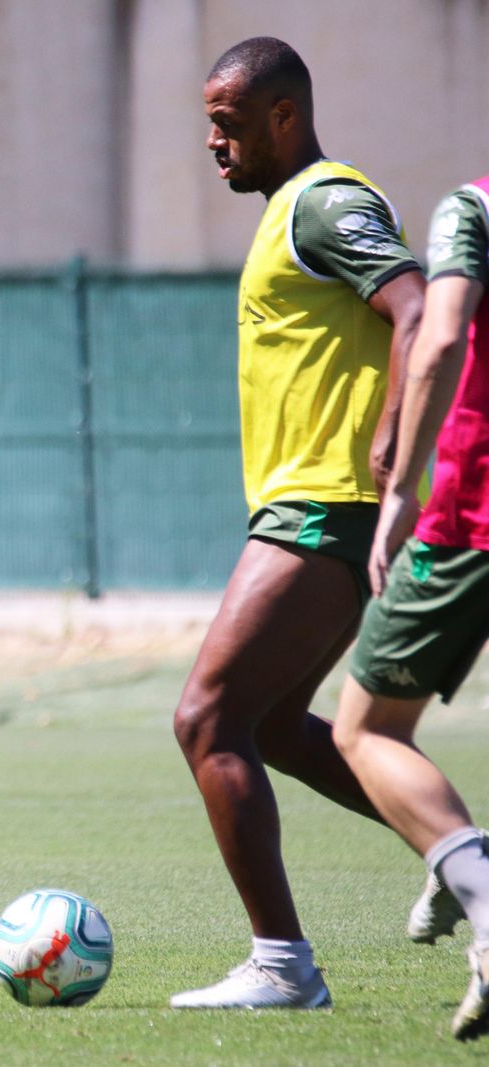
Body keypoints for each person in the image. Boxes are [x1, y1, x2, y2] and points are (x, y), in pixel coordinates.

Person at [171, 38, 426, 1009]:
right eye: (208, 123)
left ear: (283, 115)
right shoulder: (291, 210)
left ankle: (280, 962)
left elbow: (414, 307)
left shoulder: (325, 201)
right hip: (308, 505)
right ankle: (460, 852)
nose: (211, 141)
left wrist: (394, 443)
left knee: (205, 715)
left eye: (228, 124)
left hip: (326, 506)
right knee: (272, 722)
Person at [331, 174, 489, 1041]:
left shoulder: (475, 206)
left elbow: (436, 335)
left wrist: (398, 492)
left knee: (367, 728)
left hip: (476, 512)